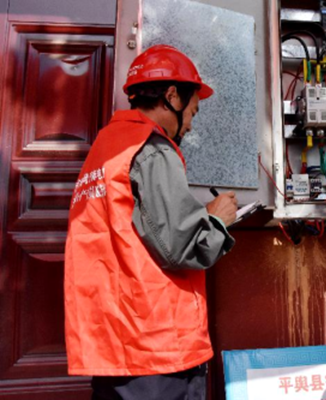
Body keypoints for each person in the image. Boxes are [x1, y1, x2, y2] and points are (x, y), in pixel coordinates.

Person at [64, 44, 237, 400]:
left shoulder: (106, 145)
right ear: (171, 96)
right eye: (192, 111)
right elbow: (180, 247)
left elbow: (136, 229)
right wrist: (217, 221)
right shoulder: (153, 149)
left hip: (113, 341)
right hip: (157, 345)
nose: (190, 124)